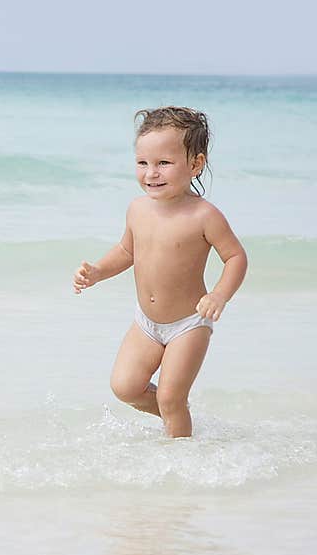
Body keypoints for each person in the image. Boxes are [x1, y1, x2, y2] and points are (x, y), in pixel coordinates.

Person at [73, 106, 247, 438]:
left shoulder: (204, 216)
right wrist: (97, 271)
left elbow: (236, 257)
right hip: (147, 322)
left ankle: (180, 454)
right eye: (143, 163)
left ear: (195, 164)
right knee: (125, 387)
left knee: (169, 396)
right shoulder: (137, 209)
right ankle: (177, 416)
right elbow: (127, 251)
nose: (151, 173)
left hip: (189, 324)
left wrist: (219, 295)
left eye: (164, 163)